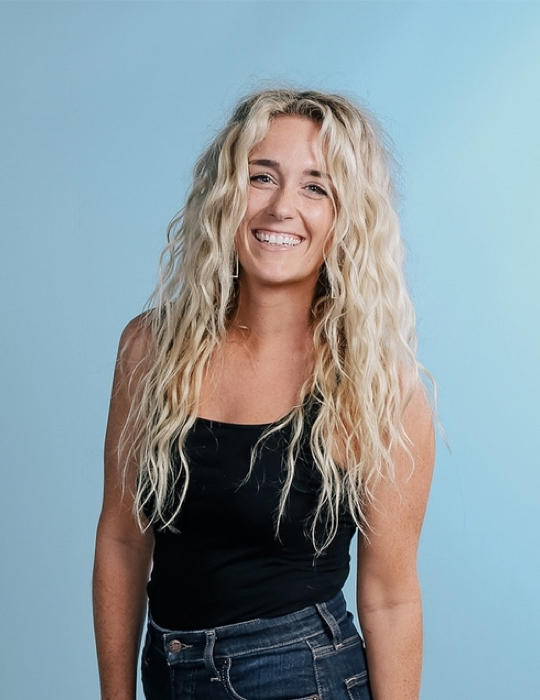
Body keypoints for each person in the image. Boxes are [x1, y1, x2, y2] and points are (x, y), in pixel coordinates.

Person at [93, 88, 435, 700]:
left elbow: (391, 597)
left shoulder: (375, 385)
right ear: (225, 194)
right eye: (261, 177)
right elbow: (122, 540)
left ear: (347, 218)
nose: (281, 207)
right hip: (168, 671)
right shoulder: (151, 349)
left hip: (302, 675)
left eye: (315, 187)